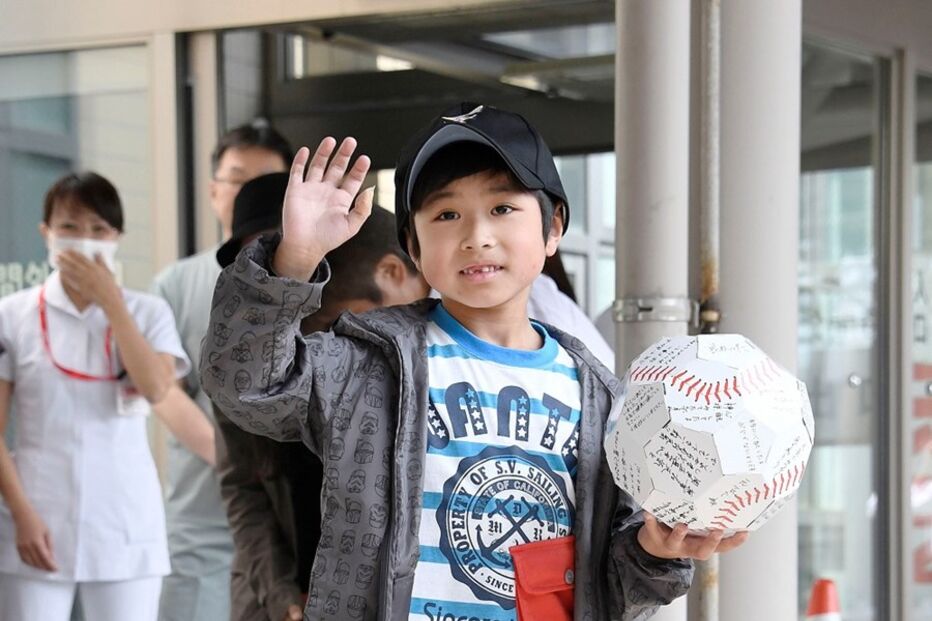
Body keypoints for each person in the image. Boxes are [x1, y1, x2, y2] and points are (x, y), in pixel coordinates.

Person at [200, 103, 748, 621]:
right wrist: (294, 257)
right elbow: (248, 385)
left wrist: (656, 549)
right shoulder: (366, 364)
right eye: (446, 214)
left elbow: (616, 593)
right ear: (413, 247)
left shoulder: (601, 398)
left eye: (503, 208)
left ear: (553, 226)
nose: (476, 236)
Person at [213, 180, 428, 621]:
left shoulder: (449, 352)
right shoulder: (254, 363)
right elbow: (245, 493)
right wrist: (283, 597)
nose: (324, 339)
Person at [0, 172, 190, 620]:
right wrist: (21, 514)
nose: (84, 239)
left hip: (124, 519)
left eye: (98, 230)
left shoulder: (148, 311)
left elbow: (157, 388)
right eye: (69, 227)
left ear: (117, 237)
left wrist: (113, 305)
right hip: (35, 515)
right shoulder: (12, 315)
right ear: (46, 233)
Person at [151, 121, 292, 621]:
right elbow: (163, 390)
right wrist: (228, 455)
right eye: (235, 179)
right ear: (213, 190)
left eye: (263, 181)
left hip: (286, 521)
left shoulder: (312, 279)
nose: (245, 192)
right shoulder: (176, 282)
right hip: (202, 516)